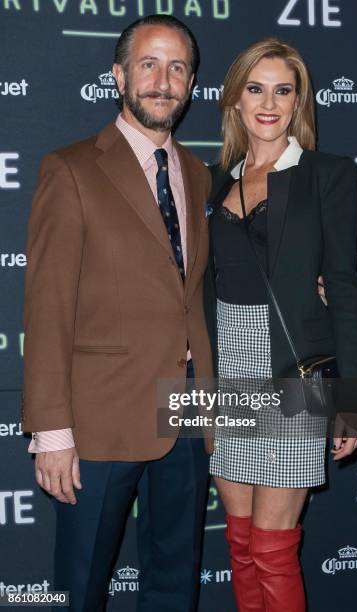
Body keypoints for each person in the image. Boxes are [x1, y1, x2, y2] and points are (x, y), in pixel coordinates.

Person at [21, 15, 214, 612]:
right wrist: (51, 430)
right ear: (119, 75)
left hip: (188, 407)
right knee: (83, 585)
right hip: (99, 416)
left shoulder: (200, 175)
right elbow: (48, 304)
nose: (164, 80)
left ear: (191, 83)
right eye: (149, 64)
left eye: (178, 67)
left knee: (174, 580)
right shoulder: (71, 168)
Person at [204, 38, 357, 611]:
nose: (268, 103)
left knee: (274, 549)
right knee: (241, 542)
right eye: (255, 88)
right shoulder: (212, 180)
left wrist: (354, 401)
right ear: (234, 100)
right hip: (223, 366)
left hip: (291, 368)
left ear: (298, 101)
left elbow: (344, 287)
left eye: (283, 89)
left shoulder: (328, 174)